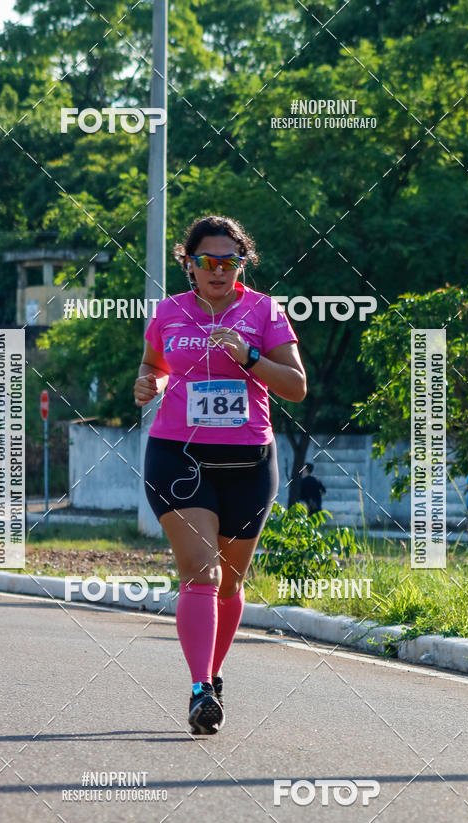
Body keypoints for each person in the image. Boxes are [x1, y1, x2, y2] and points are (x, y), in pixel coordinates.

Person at [133, 215, 306, 735]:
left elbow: (296, 386)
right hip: (178, 456)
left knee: (230, 583)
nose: (218, 270)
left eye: (230, 261)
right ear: (188, 263)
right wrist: (149, 385)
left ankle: (213, 670)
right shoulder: (169, 312)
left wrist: (250, 356)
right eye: (207, 261)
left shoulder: (264, 310)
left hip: (249, 461)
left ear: (241, 263)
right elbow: (152, 366)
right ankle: (199, 689)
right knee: (201, 574)